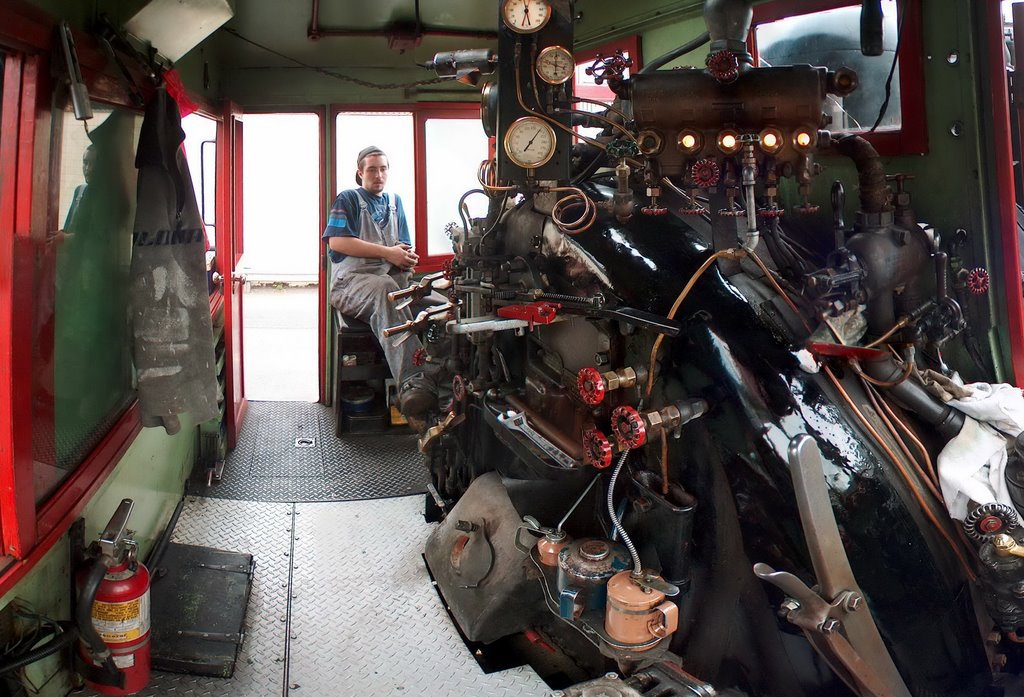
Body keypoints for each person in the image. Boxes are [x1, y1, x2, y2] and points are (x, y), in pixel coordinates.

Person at [323, 146, 441, 417]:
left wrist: (405, 256)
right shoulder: (348, 199)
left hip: (388, 278)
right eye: (372, 169)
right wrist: (388, 253)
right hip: (350, 284)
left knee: (439, 302)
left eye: (383, 168)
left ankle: (443, 373)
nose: (379, 174)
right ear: (360, 173)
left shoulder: (394, 202)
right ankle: (414, 383)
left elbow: (404, 245)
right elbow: (338, 241)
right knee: (388, 291)